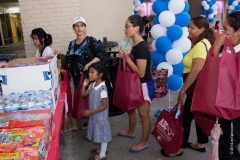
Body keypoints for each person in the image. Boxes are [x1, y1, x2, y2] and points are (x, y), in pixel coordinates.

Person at [161, 16, 215, 157]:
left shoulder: (200, 46)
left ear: (202, 30)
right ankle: (201, 144)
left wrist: (183, 90)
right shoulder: (204, 43)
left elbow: (195, 70)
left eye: (192, 28)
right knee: (198, 115)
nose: (188, 30)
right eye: (189, 27)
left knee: (186, 118)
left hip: (195, 88)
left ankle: (179, 147)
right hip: (200, 88)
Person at [55, 16, 105, 131]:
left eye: (82, 25)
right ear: (74, 28)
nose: (79, 28)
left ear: (85, 27)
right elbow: (68, 59)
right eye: (77, 26)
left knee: (92, 101)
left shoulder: (90, 41)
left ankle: (94, 126)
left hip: (88, 78)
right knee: (82, 101)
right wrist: (60, 53)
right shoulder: (72, 44)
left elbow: (100, 55)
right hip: (77, 79)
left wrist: (88, 65)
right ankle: (87, 124)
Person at [118, 15, 154, 154]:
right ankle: (131, 131)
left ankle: (144, 142)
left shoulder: (141, 47)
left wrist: (126, 58)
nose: (125, 29)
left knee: (144, 115)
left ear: (137, 28)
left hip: (144, 85)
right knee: (130, 109)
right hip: (136, 85)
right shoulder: (136, 44)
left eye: (127, 26)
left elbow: (140, 72)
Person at [213, 11, 240, 160]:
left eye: (226, 29)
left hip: (233, 111)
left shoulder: (235, 55)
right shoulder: (230, 51)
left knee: (229, 149)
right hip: (227, 108)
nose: (222, 33)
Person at [82, 62, 111, 160]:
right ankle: (103, 149)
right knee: (99, 133)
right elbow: (83, 94)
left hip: (100, 117)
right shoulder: (92, 85)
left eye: (92, 72)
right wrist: (84, 85)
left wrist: (90, 112)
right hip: (95, 116)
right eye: (89, 72)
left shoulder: (102, 89)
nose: (89, 74)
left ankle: (102, 155)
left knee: (103, 134)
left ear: (100, 74)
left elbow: (104, 106)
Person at [57, 54, 78, 132]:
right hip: (68, 93)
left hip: (64, 95)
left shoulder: (61, 73)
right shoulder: (66, 70)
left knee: (64, 111)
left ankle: (65, 128)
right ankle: (74, 125)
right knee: (69, 110)